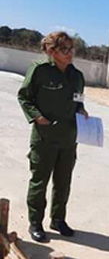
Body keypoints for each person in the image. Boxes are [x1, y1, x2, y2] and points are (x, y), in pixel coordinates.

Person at [18, 31, 88, 243]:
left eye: (71, 49)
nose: (70, 54)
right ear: (51, 51)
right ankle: (35, 222)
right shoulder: (39, 71)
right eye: (64, 50)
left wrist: (82, 110)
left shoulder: (76, 76)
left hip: (68, 138)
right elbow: (24, 97)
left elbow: (78, 100)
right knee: (39, 182)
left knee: (63, 182)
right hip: (45, 137)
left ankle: (58, 219)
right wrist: (37, 117)